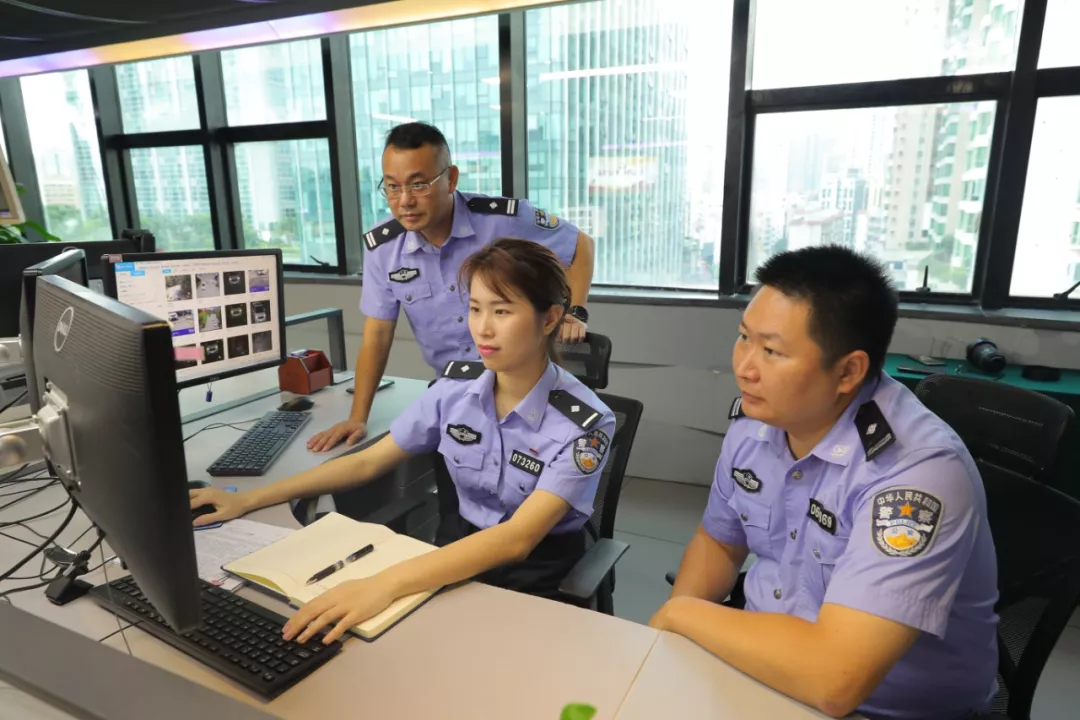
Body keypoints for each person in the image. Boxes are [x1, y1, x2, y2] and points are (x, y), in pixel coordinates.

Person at [190, 238, 616, 645]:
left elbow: (516, 539)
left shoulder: (586, 424)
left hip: (534, 575)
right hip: (454, 553)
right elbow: (366, 462)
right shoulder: (454, 391)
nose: (482, 329)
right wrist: (249, 499)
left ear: (549, 319)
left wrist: (384, 584)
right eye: (474, 309)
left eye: (502, 311)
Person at [650, 246, 998, 720]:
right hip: (758, 665)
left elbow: (837, 679)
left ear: (848, 371)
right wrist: (670, 640)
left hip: (881, 708)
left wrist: (682, 614)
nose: (744, 367)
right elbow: (720, 541)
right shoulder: (756, 425)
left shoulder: (914, 474)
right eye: (744, 337)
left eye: (771, 351)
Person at [308, 122, 596, 452]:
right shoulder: (384, 249)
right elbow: (377, 335)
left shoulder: (503, 220)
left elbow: (581, 246)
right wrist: (358, 417)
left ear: (451, 179)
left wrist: (575, 311)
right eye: (392, 187)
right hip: (454, 393)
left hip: (523, 389)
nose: (405, 201)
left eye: (418, 185)